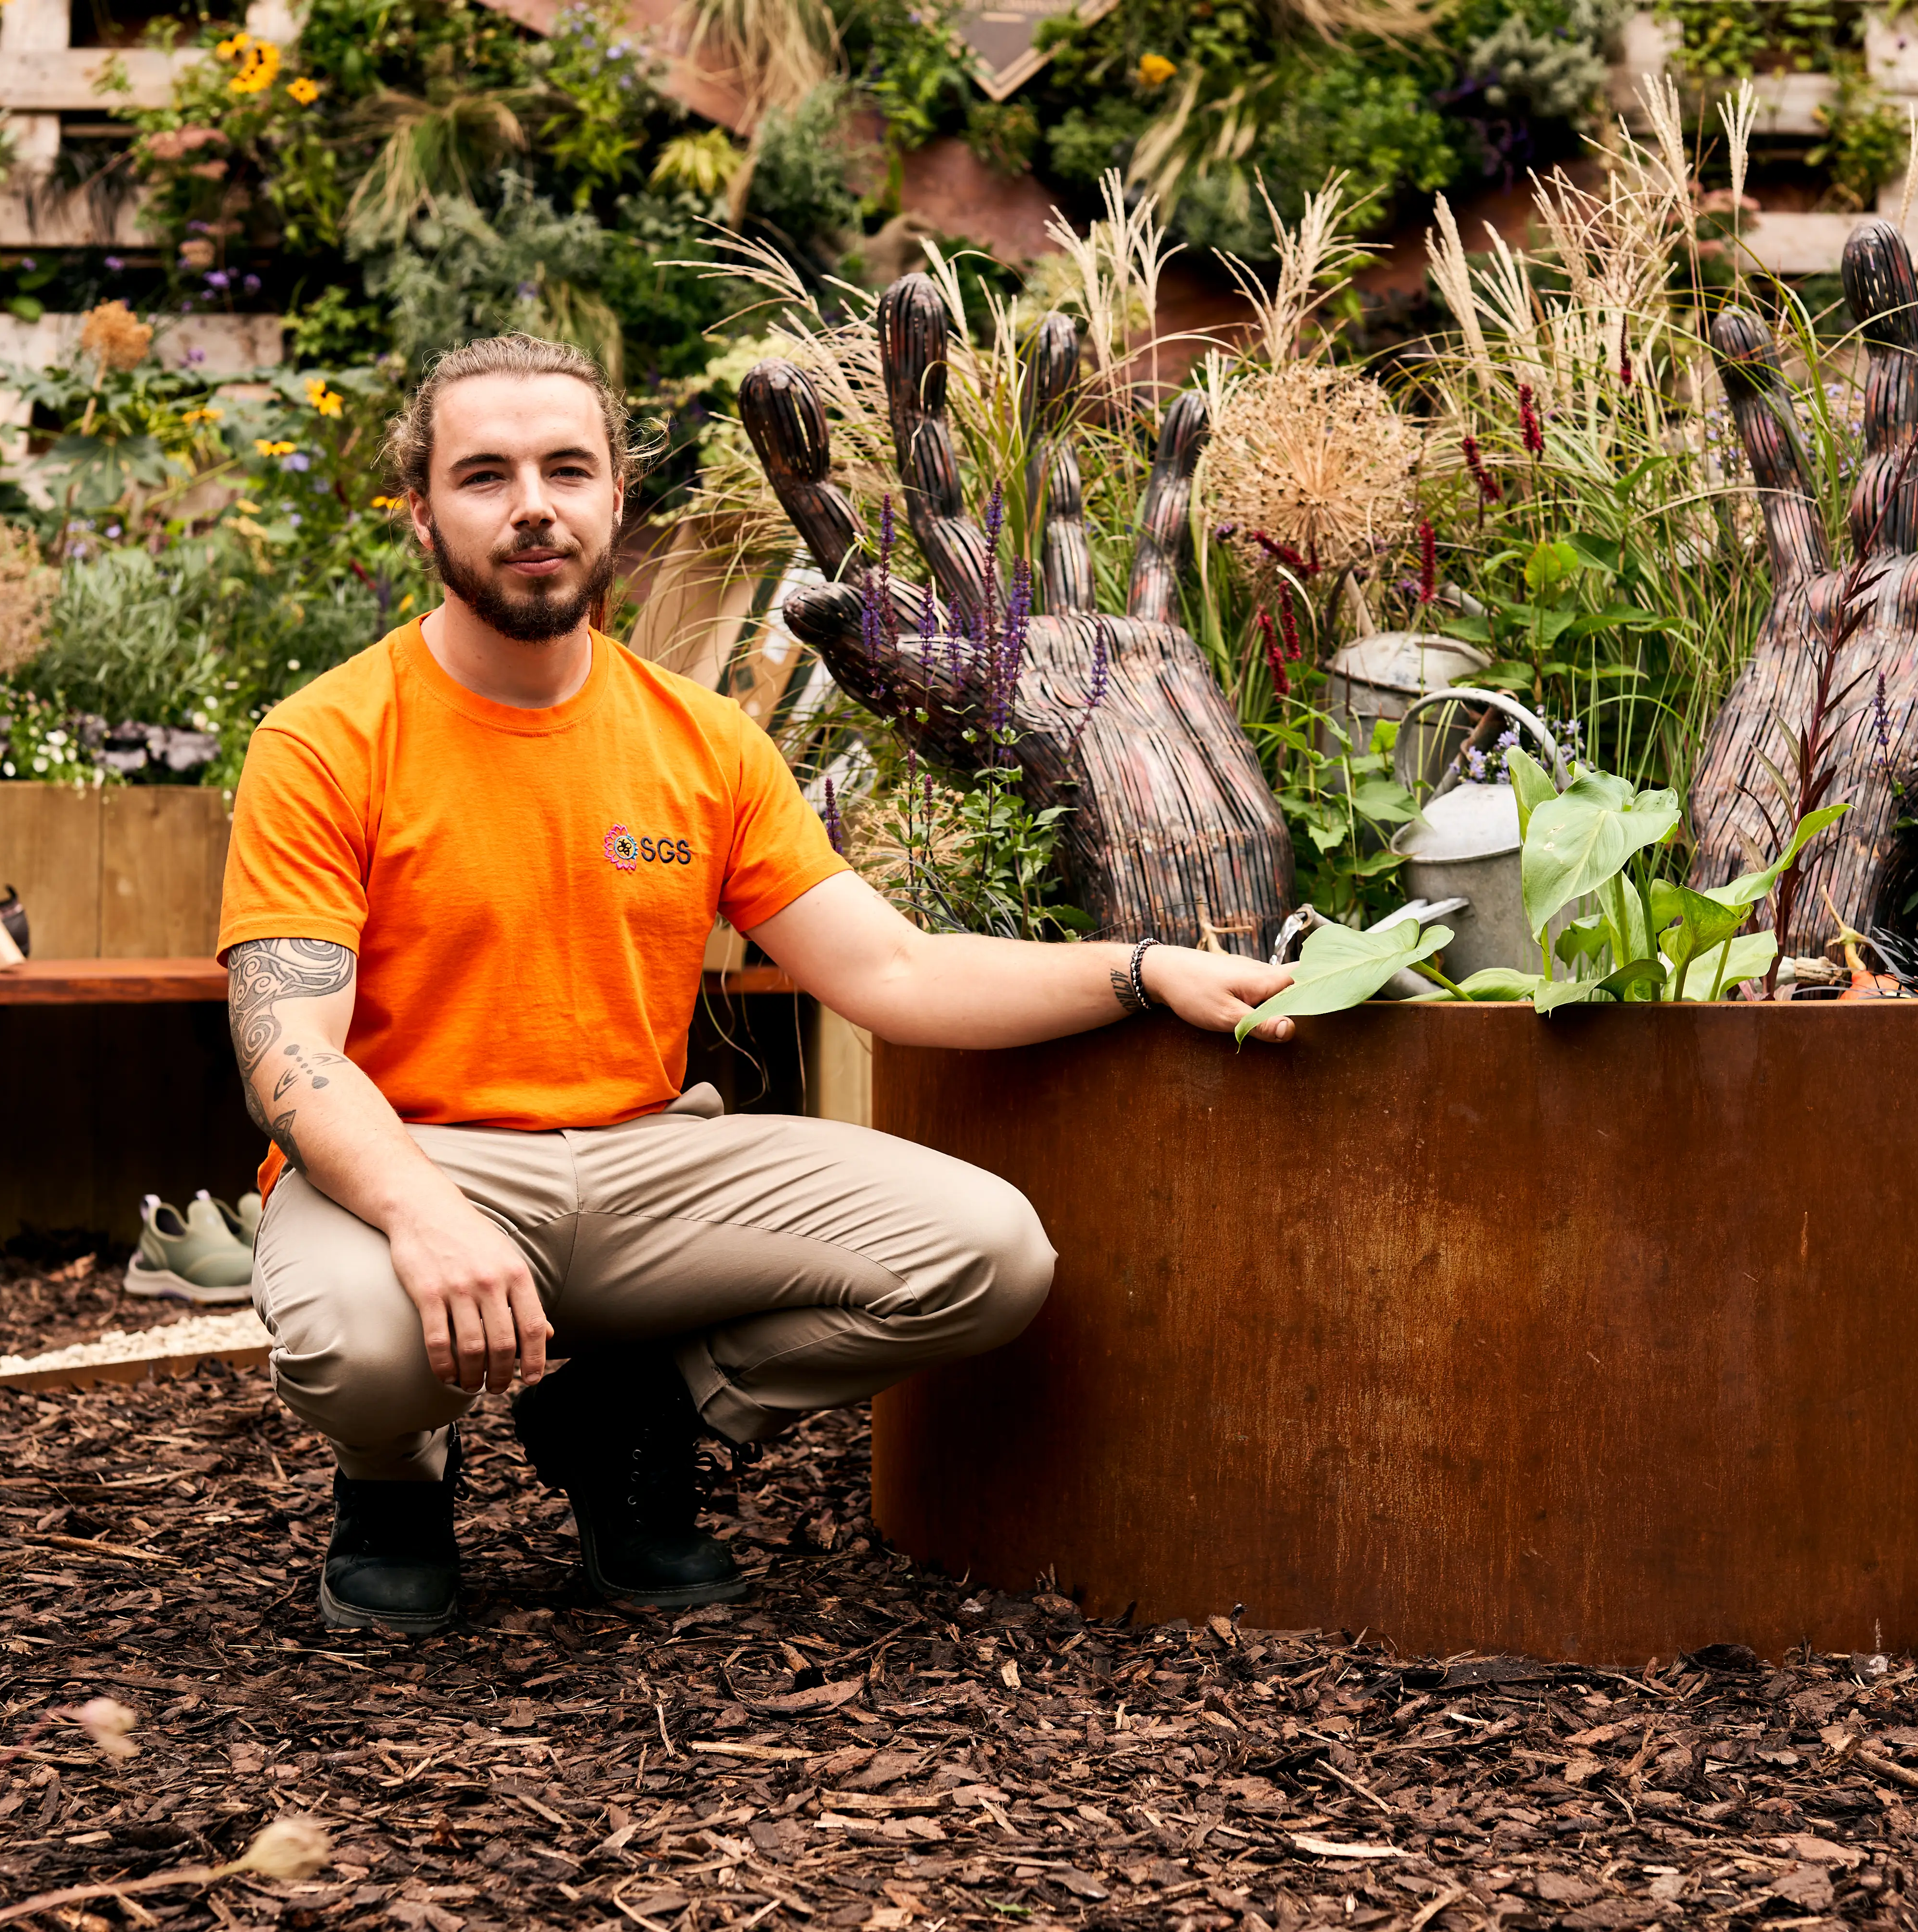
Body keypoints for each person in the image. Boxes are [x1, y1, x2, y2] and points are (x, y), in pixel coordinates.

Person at [219, 334, 1296, 1634]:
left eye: (568, 468)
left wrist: (1141, 969)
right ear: (422, 512)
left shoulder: (701, 739)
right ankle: (393, 1480)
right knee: (360, 1347)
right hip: (415, 1154)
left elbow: (891, 969)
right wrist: (421, 1214)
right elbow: (286, 1052)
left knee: (988, 1257)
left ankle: (634, 1421)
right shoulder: (328, 738)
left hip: (636, 1166)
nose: (533, 508)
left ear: (619, 495)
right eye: (485, 476)